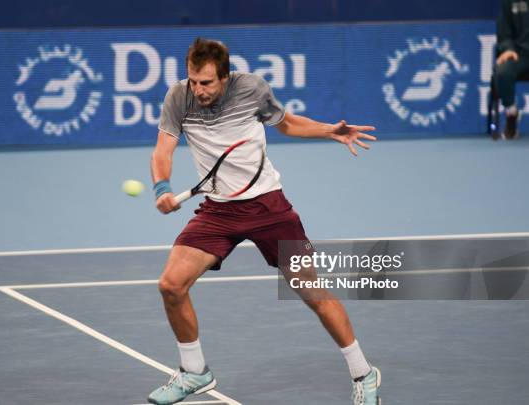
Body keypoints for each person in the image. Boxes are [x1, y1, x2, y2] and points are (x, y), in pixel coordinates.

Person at [148, 38, 380, 405]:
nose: (198, 89)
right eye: (193, 80)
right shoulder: (178, 98)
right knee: (171, 285)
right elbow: (163, 149)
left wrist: (329, 130)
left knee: (312, 292)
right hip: (218, 211)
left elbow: (287, 125)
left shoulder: (252, 89)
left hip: (269, 208)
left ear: (224, 76)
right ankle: (195, 373)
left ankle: (364, 374)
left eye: (206, 82)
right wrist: (162, 187)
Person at [495, 0, 529, 139]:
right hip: (519, 54)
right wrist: (508, 49)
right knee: (503, 72)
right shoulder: (509, 2)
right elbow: (504, 32)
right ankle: (512, 114)